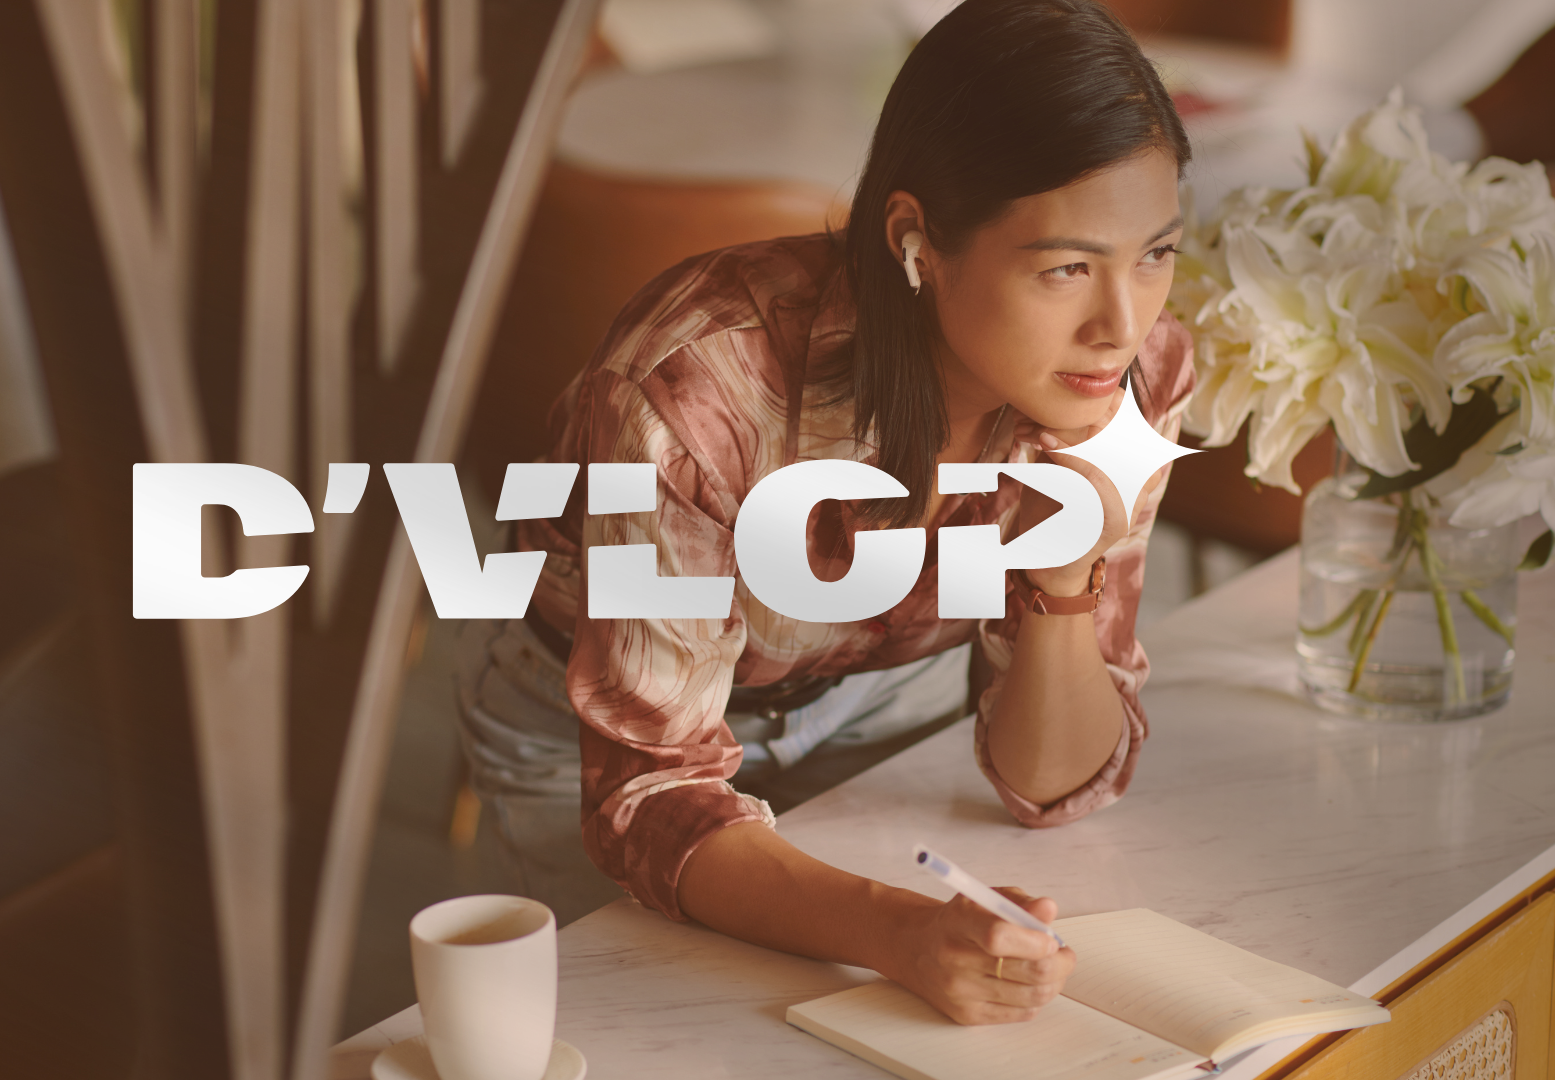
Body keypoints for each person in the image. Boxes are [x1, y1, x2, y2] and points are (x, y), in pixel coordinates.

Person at [455, 0, 1194, 1026]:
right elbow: (650, 796)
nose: (1121, 323)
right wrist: (899, 934)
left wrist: (1070, 563)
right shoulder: (695, 391)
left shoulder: (1127, 379)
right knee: (645, 1045)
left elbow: (1054, 787)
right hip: (602, 732)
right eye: (1066, 267)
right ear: (916, 242)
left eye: (1155, 253)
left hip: (882, 706)